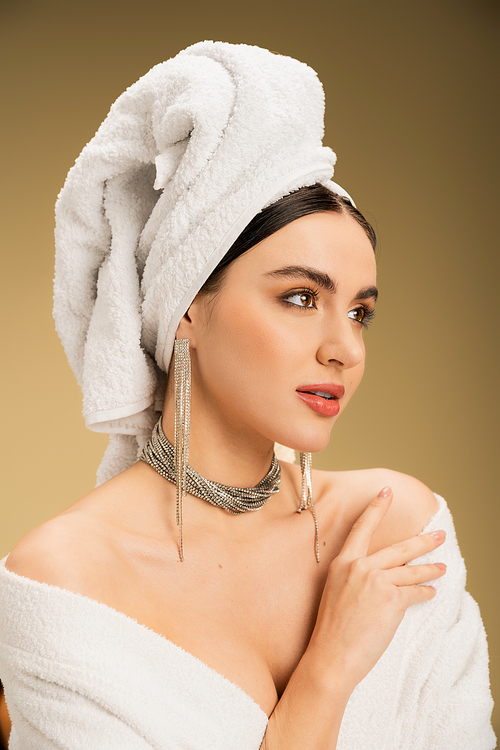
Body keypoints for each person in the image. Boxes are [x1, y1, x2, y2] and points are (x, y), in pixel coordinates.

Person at [0, 41, 495, 750]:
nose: (344, 348)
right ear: (186, 307)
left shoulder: (396, 529)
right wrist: (327, 672)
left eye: (360, 311)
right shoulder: (66, 579)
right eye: (299, 297)